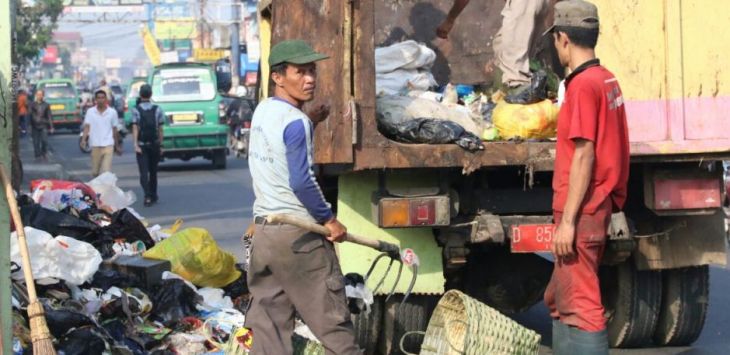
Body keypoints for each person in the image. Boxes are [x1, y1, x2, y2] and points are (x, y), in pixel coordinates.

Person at [245, 40, 360, 355]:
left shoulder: (264, 110)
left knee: (267, 326)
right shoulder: (296, 122)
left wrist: (311, 120)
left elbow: (279, 147)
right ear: (279, 77)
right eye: (301, 72)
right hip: (298, 236)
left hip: (266, 235)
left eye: (312, 71)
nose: (310, 79)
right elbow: (302, 181)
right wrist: (329, 219)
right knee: (332, 323)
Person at [542, 1, 629, 353]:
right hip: (599, 204)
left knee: (582, 306)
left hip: (582, 210)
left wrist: (568, 223)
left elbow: (583, 155)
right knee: (558, 298)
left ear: (563, 39)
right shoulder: (606, 79)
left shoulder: (581, 86)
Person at [437, 0, 550, 92]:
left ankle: (518, 112)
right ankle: (513, 95)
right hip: (535, 4)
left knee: (514, 74)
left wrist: (450, 20)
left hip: (524, 4)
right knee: (502, 47)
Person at [131, 84, 164, 207]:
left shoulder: (136, 110)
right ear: (151, 94)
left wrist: (135, 144)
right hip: (154, 144)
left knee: (143, 172)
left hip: (142, 145)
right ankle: (154, 194)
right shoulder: (158, 109)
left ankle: (147, 195)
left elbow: (135, 127)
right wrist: (161, 145)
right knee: (153, 171)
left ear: (140, 95)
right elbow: (160, 129)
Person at [81, 90, 121, 177]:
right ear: (95, 99)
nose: (100, 100)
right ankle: (96, 189)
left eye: (102, 98)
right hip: (95, 145)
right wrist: (83, 140)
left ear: (106, 99)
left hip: (108, 145)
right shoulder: (90, 112)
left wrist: (117, 145)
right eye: (98, 98)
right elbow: (87, 127)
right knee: (95, 172)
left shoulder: (112, 112)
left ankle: (105, 190)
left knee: (106, 172)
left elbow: (115, 129)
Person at [28, 90, 54, 161]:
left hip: (44, 125)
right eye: (38, 94)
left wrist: (51, 127)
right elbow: (29, 115)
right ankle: (37, 155)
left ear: (43, 95)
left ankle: (44, 153)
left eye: (41, 94)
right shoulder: (32, 105)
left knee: (44, 141)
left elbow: (49, 116)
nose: (39, 96)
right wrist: (29, 125)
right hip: (34, 125)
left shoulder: (46, 105)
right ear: (36, 95)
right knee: (36, 142)